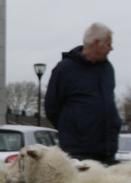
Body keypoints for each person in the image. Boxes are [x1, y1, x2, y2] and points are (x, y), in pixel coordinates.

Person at [44, 21, 121, 164]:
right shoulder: (65, 69)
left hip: (107, 151)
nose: (111, 49)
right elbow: (52, 107)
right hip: (77, 152)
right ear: (96, 42)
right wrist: (74, 130)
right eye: (108, 44)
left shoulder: (107, 69)